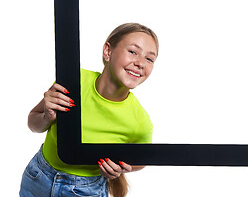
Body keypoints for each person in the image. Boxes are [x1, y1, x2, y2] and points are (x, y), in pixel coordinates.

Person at [20, 23, 159, 197]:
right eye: (132, 51)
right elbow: (33, 122)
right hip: (37, 177)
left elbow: (142, 159)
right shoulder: (73, 80)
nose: (140, 63)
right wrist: (47, 117)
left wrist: (120, 167)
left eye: (149, 59)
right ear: (108, 51)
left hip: (85, 190)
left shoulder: (140, 120)